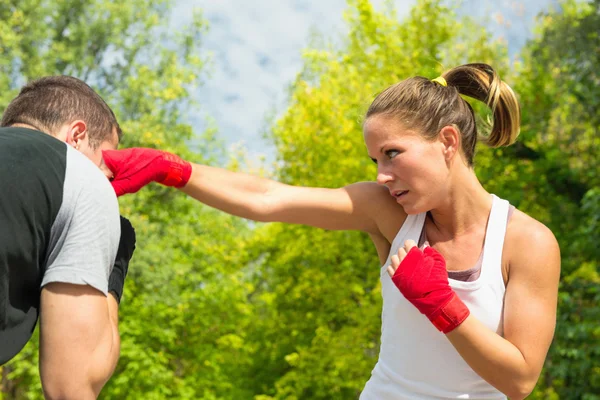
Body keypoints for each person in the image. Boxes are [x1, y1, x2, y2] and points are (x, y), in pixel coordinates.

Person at [103, 63, 560, 399]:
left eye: (393, 153)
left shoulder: (527, 241)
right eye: (375, 161)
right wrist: (172, 169)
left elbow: (519, 379)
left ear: (447, 142)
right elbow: (269, 199)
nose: (382, 175)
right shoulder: (388, 212)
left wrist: (442, 305)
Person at [0, 76, 136, 399]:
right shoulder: (84, 178)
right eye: (109, 167)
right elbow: (71, 386)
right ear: (76, 136)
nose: (109, 182)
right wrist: (115, 271)